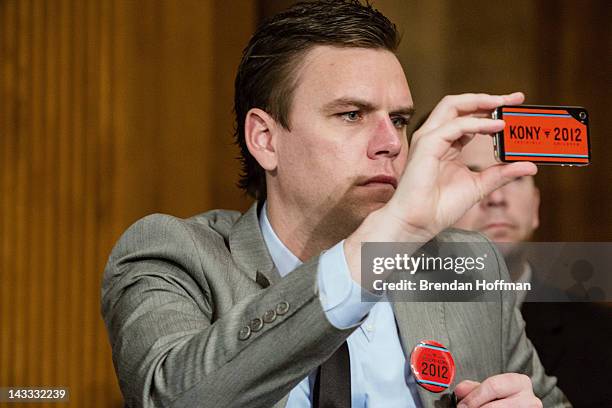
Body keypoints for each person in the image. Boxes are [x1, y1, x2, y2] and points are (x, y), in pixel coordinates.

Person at [101, 1, 569, 407]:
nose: (390, 143)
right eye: (351, 114)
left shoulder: (465, 263)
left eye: (400, 119)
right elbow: (171, 397)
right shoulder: (175, 254)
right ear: (265, 139)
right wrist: (388, 237)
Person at [454, 134, 612, 407]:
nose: (497, 197)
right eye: (471, 175)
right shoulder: (387, 322)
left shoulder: (602, 336)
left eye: (514, 176)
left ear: (536, 205)